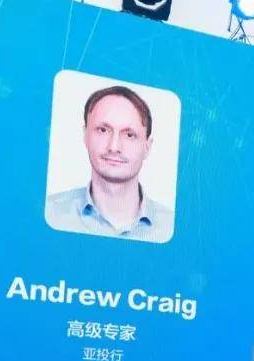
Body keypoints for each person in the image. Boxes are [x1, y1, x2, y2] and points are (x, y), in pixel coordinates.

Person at [45, 85, 173, 243]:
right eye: (103, 130)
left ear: (147, 147)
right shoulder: (51, 213)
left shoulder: (172, 226)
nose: (114, 147)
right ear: (85, 135)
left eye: (129, 135)